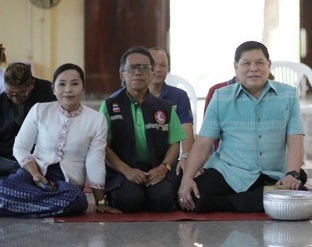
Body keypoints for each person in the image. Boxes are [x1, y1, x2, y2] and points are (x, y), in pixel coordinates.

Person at [178, 41, 306, 213]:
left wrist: (292, 174)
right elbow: (202, 142)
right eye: (246, 63)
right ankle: (260, 199)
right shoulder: (221, 96)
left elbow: (296, 139)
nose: (253, 68)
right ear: (236, 66)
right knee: (192, 196)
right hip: (230, 172)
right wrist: (187, 178)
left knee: (296, 191)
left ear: (269, 65)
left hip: (273, 173)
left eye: (259, 63)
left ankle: (232, 203)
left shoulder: (288, 95)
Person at [0, 63, 120, 217]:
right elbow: (20, 147)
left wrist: (100, 202)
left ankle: (12, 204)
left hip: (65, 183)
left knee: (77, 199)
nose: (68, 89)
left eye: (74, 84)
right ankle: (42, 206)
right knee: (3, 189)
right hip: (33, 173)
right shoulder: (39, 110)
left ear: (83, 88)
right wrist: (35, 174)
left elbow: (95, 161)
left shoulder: (96, 120)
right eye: (62, 84)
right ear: (53, 89)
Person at [100, 46, 186, 213]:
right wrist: (127, 171)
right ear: (122, 74)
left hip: (157, 167)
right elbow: (104, 146)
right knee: (130, 200)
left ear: (152, 73)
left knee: (162, 200)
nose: (138, 72)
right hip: (123, 170)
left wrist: (164, 167)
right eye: (132, 67)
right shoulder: (109, 105)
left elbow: (174, 144)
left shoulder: (166, 107)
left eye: (144, 67)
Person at [0, 62, 56, 176]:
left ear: (32, 84)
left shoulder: (49, 93)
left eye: (21, 93)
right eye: (10, 93)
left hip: (37, 157)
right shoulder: (2, 99)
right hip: (7, 157)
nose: (15, 99)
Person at [148, 47, 195, 174]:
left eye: (163, 65)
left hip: (170, 160)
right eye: (153, 64)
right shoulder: (136, 96)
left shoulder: (179, 95)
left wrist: (185, 156)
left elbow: (186, 127)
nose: (158, 69)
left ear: (168, 69)